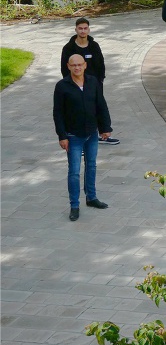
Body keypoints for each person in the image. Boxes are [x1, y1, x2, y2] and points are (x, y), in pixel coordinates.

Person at [53, 54, 112, 221]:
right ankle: (74, 205)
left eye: (80, 64)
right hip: (73, 136)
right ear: (68, 66)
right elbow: (57, 113)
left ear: (85, 65)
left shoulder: (93, 82)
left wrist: (105, 127)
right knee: (74, 171)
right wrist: (62, 136)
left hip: (92, 133)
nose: (77, 68)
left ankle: (91, 197)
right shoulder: (62, 86)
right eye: (74, 65)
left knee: (92, 165)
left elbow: (101, 104)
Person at [60, 17, 119, 145]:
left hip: (94, 85)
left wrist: (99, 81)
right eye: (80, 28)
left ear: (89, 30)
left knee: (99, 107)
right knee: (77, 110)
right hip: (75, 85)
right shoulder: (68, 48)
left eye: (85, 28)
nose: (82, 31)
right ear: (75, 29)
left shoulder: (94, 46)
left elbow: (101, 64)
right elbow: (64, 68)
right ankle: (78, 140)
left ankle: (103, 134)